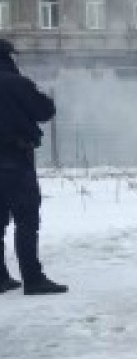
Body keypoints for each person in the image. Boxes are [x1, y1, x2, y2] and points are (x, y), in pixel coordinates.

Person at [0, 39, 66, 295]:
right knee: (26, 220)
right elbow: (45, 111)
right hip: (15, 161)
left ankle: (1, 278)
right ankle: (33, 278)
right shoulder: (16, 83)